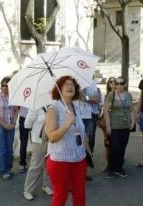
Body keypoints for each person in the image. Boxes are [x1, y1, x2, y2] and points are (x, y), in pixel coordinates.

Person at [45, 76, 88, 206]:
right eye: (66, 84)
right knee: (60, 195)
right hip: (60, 161)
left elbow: (81, 131)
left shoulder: (75, 106)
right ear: (59, 89)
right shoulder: (53, 109)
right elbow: (52, 137)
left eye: (72, 84)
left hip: (79, 158)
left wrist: (87, 150)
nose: (70, 87)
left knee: (80, 194)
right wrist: (67, 124)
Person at [103, 76, 134, 178]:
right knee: (114, 147)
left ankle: (119, 167)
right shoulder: (111, 95)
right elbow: (105, 110)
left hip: (126, 125)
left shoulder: (129, 95)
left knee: (122, 147)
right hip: (114, 125)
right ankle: (111, 168)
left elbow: (131, 109)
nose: (119, 85)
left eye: (121, 83)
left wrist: (133, 121)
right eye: (117, 83)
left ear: (125, 84)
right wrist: (108, 125)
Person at [23, 107, 53, 201]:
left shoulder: (53, 105)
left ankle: (46, 185)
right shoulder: (35, 107)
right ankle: (28, 190)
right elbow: (27, 125)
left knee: (49, 164)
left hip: (52, 140)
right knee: (36, 165)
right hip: (38, 140)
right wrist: (32, 115)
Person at [0, 77, 19, 179]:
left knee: (9, 148)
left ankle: (8, 168)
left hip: (11, 125)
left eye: (7, 85)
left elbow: (16, 110)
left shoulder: (14, 97)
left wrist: (14, 123)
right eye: (3, 85)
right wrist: (4, 124)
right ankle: (3, 171)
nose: (5, 87)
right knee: (1, 149)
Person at [98, 77, 116, 172]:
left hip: (117, 122)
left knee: (116, 142)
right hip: (107, 122)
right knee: (107, 142)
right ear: (108, 85)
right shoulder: (107, 96)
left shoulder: (119, 95)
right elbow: (105, 110)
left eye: (114, 82)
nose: (113, 84)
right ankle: (106, 162)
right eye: (111, 82)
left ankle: (115, 161)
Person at [17, 106, 29, 173]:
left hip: (35, 116)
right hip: (23, 117)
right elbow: (18, 106)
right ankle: (22, 163)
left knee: (37, 141)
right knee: (23, 142)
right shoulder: (19, 95)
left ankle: (38, 163)